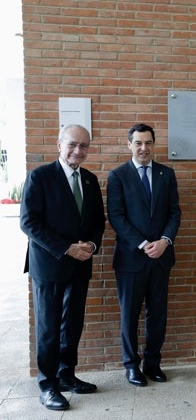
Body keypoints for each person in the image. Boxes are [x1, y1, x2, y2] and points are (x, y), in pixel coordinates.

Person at [20, 124, 106, 411]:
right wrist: (66, 248)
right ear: (59, 144)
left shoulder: (91, 180)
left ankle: (66, 375)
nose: (77, 151)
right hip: (49, 265)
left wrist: (92, 247)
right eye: (72, 144)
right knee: (49, 329)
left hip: (81, 265)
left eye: (83, 146)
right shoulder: (40, 177)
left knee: (73, 325)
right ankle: (47, 385)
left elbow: (97, 223)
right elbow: (29, 223)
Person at [107, 124, 181, 387]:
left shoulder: (166, 174)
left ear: (153, 144)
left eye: (148, 143)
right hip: (131, 259)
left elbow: (174, 212)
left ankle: (153, 363)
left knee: (157, 313)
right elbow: (116, 217)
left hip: (161, 257)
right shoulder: (118, 176)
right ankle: (131, 366)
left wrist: (164, 241)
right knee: (130, 314)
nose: (143, 148)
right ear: (129, 145)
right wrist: (142, 243)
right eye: (138, 143)